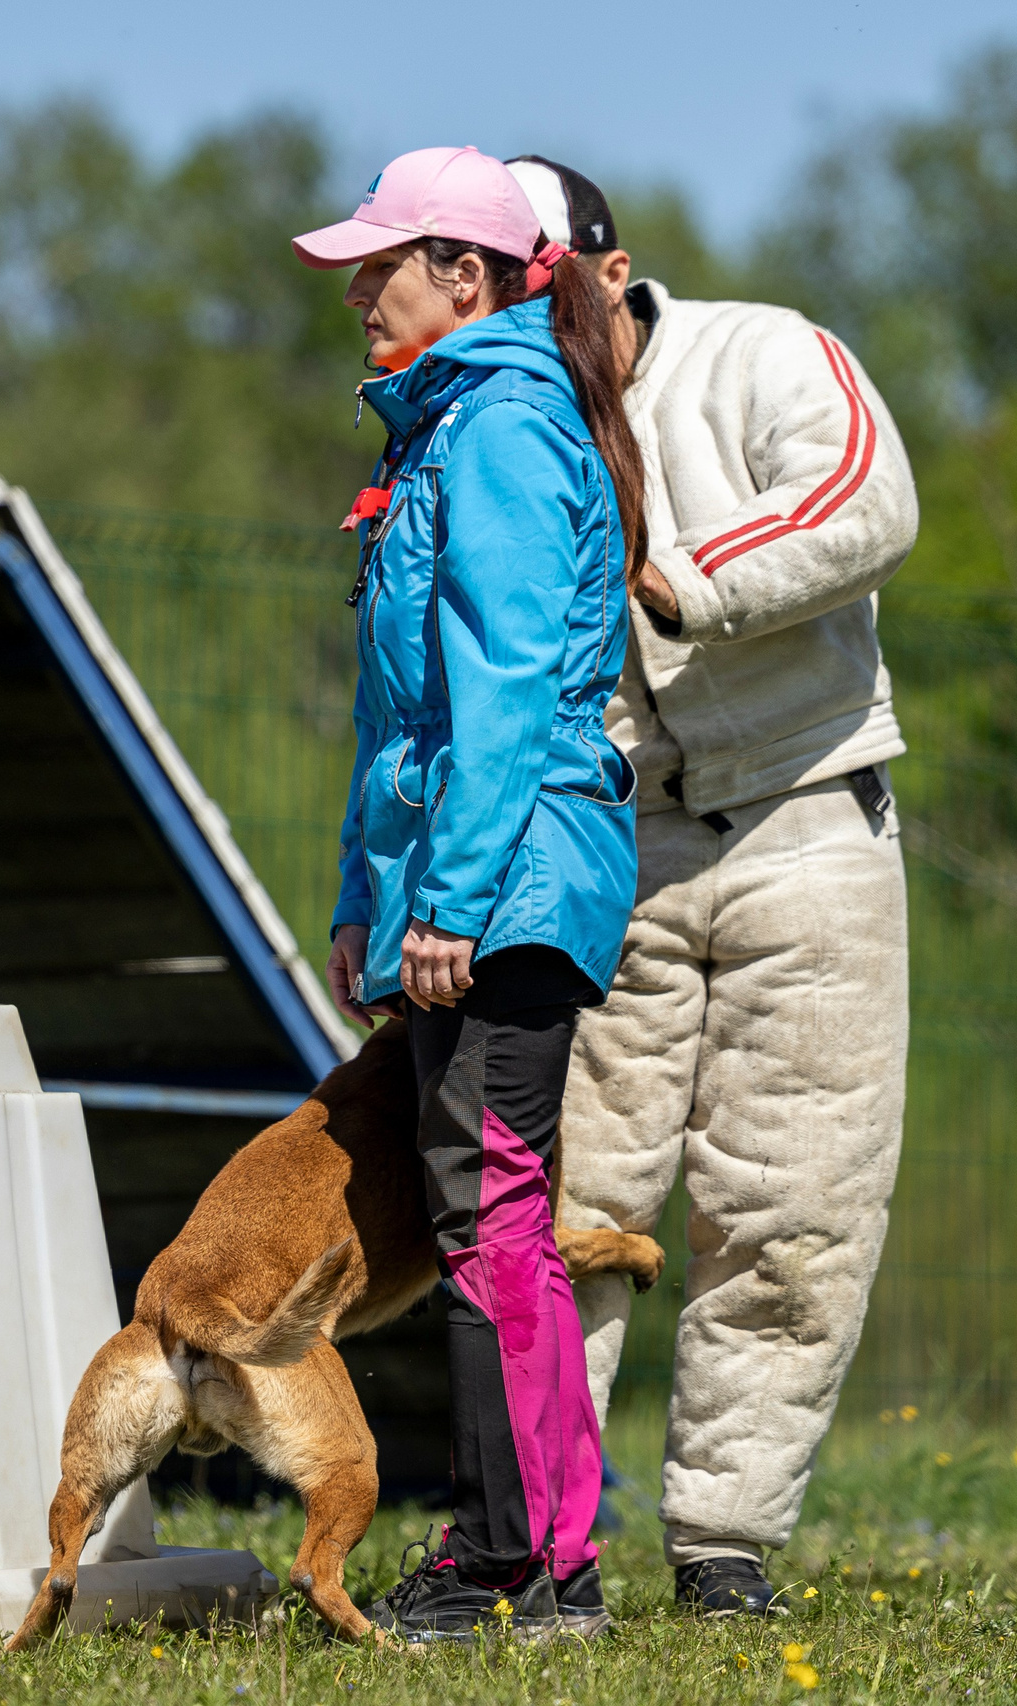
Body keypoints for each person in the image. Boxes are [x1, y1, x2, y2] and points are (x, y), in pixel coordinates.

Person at [503, 155, 920, 1618]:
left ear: (611, 276)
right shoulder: (507, 418)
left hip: (808, 817)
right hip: (616, 842)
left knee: (794, 1203)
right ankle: (538, 1539)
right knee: (571, 1199)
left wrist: (681, 577)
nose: (523, 322)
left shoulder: (764, 350)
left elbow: (868, 491)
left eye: (541, 292)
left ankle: (725, 1538)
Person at [293, 145, 646, 1643]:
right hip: (468, 875)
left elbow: (501, 692)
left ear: (476, 275)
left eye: (390, 259)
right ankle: (533, 1549)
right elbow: (407, 719)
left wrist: (451, 893)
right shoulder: (451, 428)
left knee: (491, 1212)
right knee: (484, 1213)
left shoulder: (499, 428)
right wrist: (371, 894)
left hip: (513, 875)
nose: (362, 288)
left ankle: (531, 1561)